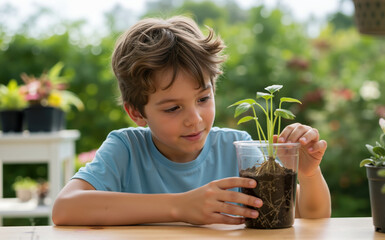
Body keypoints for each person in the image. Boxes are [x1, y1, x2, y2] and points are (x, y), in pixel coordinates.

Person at [52, 16, 331, 226]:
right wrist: (180, 206)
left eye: (202, 99)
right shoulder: (126, 148)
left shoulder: (237, 148)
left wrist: (308, 175)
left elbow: (310, 216)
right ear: (137, 113)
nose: (194, 119)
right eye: (173, 108)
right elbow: (64, 208)